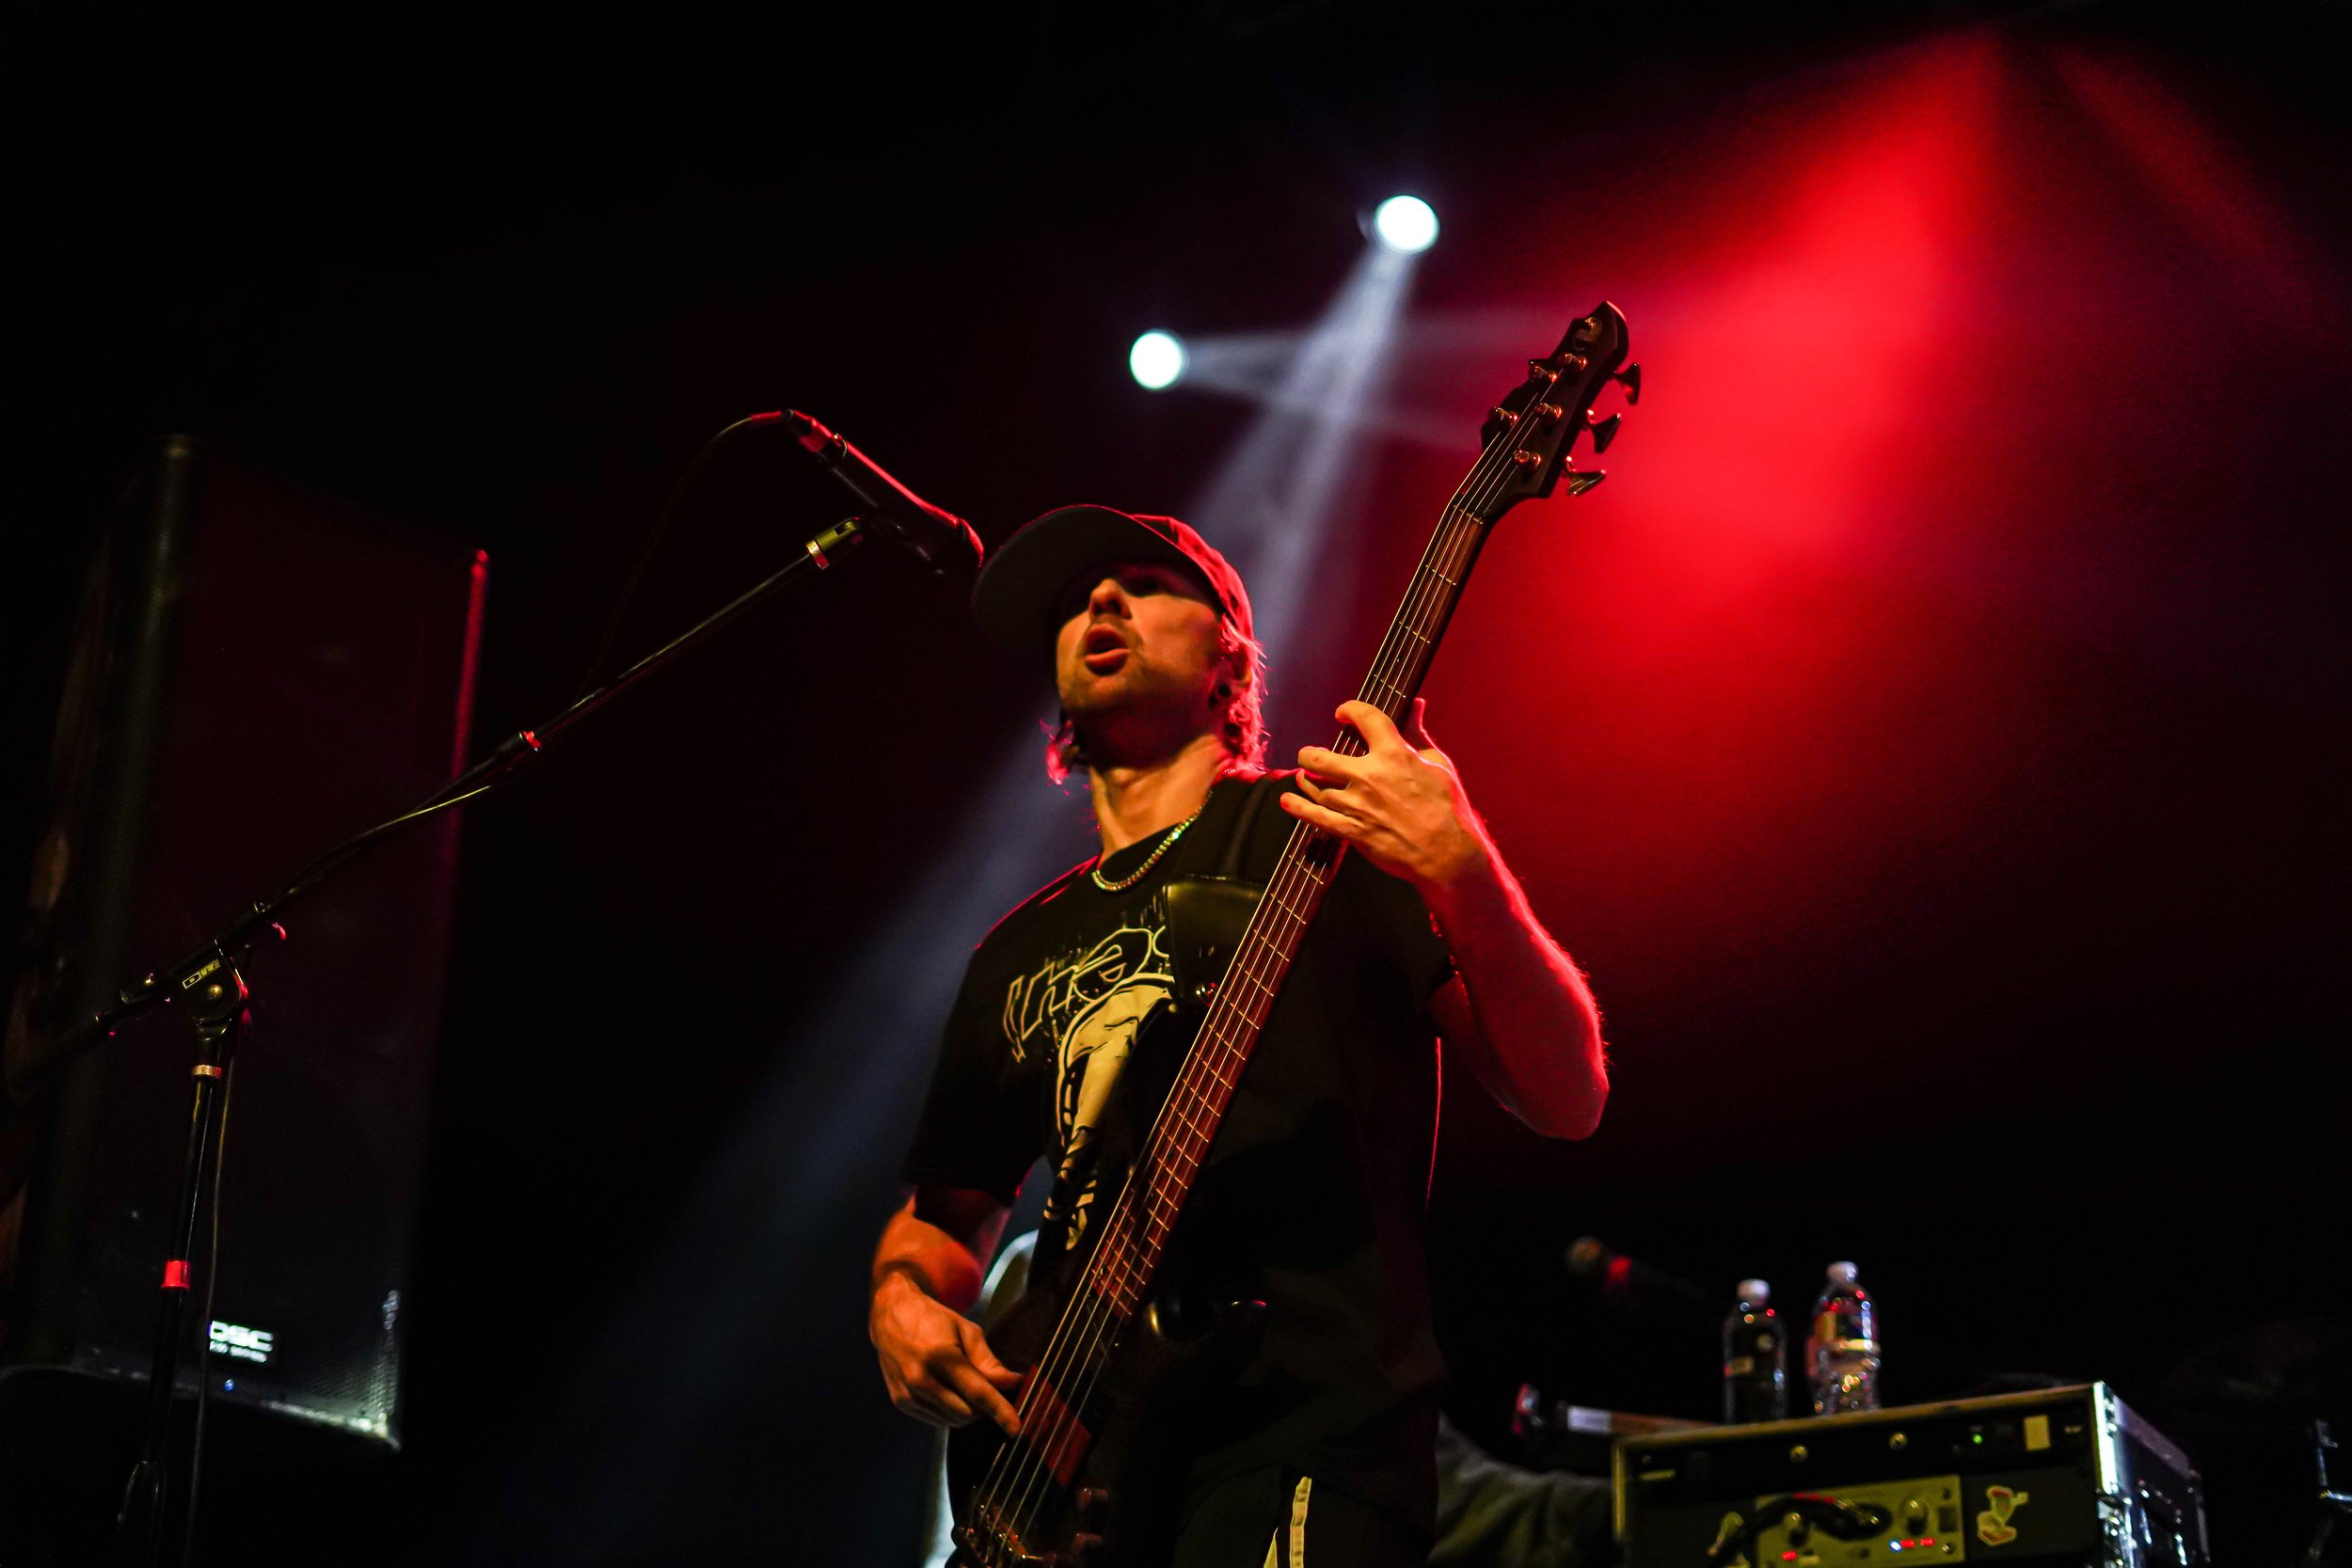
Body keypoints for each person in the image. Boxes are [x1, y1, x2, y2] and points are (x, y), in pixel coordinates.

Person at [870, 504, 1608, 1566]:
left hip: (1301, 1440)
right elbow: (944, 1214)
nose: (1098, 603)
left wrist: (1462, 869)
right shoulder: (1015, 950)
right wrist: (900, 1302)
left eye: (1139, 580)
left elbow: (1566, 1094)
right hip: (1062, 1468)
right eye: (1076, 601)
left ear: (1231, 653)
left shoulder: (1332, 831)